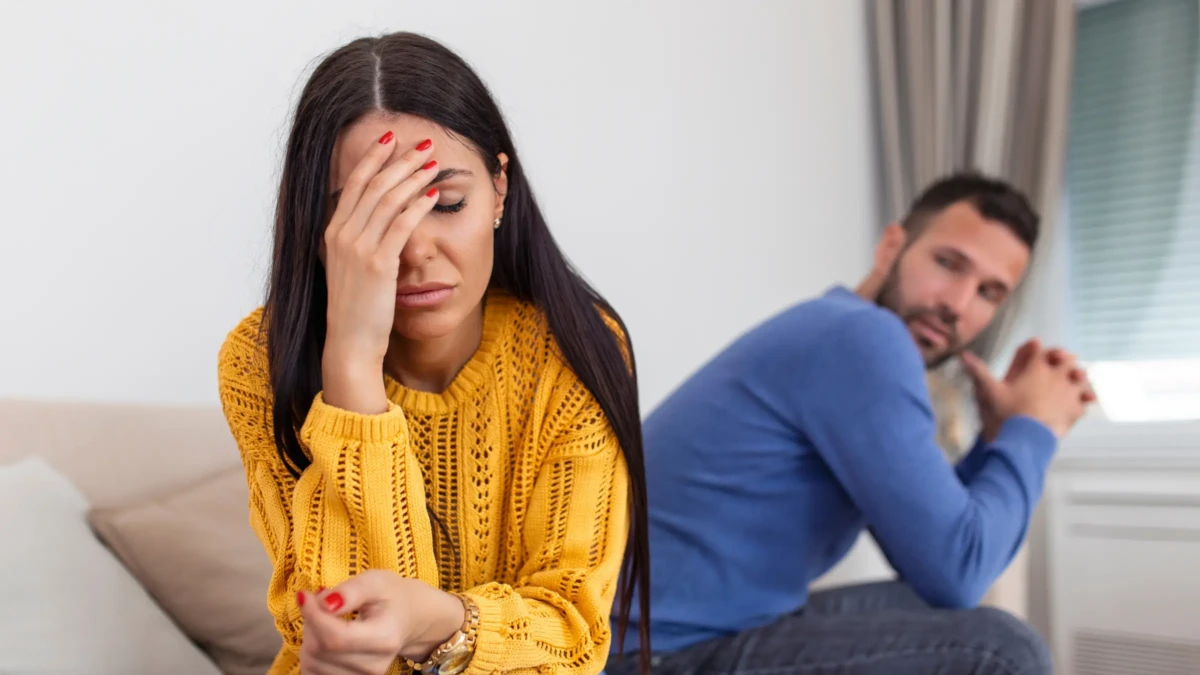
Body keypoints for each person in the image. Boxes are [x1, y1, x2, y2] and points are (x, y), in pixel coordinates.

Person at [217, 32, 651, 675]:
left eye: (446, 203)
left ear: (499, 188)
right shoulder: (259, 361)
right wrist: (353, 365)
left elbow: (573, 637)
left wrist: (435, 623)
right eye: (370, 216)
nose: (415, 250)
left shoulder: (574, 349)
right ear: (319, 227)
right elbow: (347, 647)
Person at [606, 172, 1095, 675]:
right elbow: (958, 570)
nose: (957, 305)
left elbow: (935, 551)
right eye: (948, 264)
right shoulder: (863, 338)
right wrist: (1035, 428)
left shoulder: (836, 329)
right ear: (891, 247)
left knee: (934, 609)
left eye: (989, 293)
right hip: (645, 656)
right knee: (1004, 651)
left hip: (709, 629)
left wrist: (998, 437)